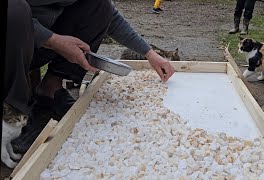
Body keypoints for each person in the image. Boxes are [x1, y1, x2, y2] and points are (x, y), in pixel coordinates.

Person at [5, 0, 175, 153]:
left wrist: (149, 53)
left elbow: (112, 17)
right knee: (15, 10)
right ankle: (13, 115)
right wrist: (53, 40)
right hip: (13, 42)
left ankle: (51, 90)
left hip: (36, 43)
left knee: (99, 6)